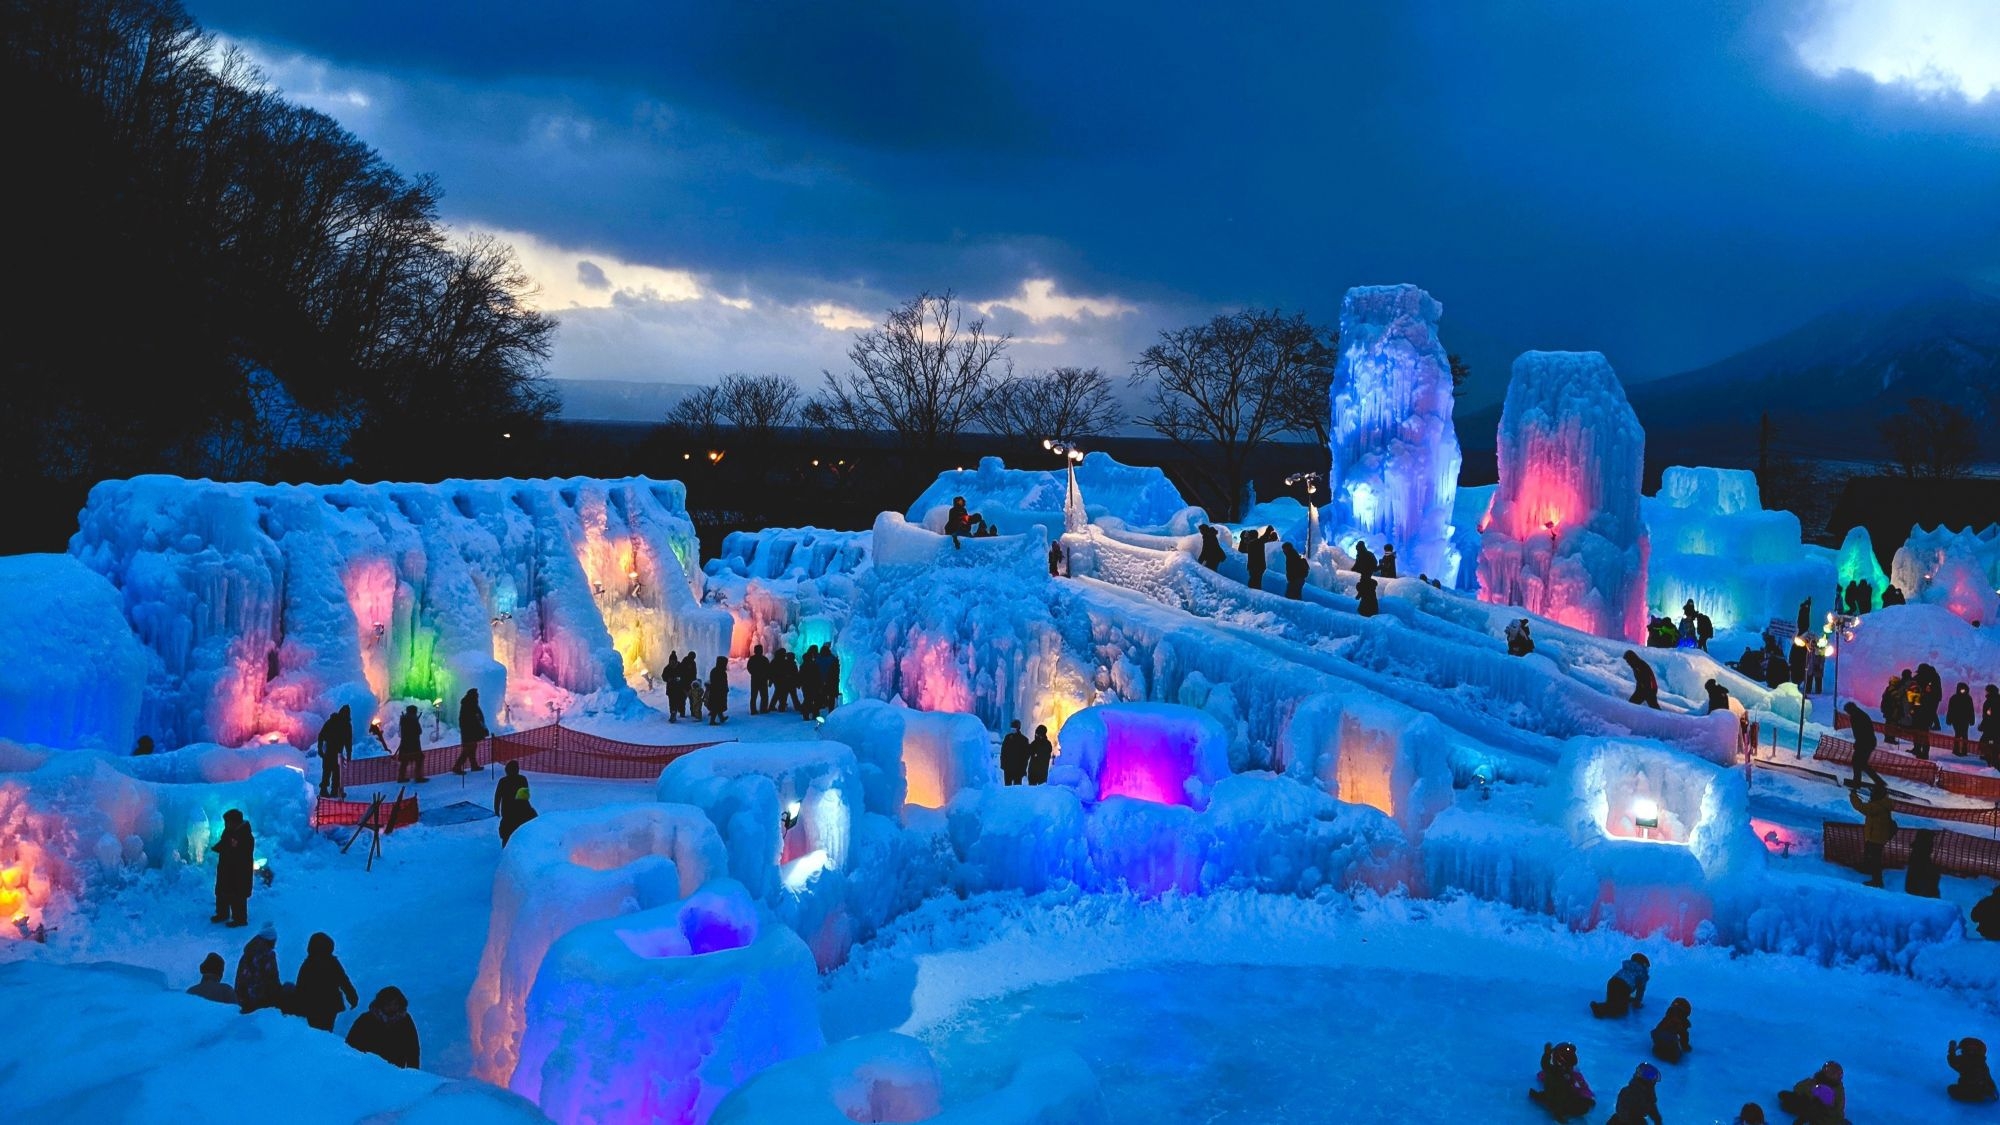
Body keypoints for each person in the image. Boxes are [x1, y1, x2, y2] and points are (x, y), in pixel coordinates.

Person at [293, 931, 359, 1032]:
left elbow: (300, 986)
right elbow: (344, 980)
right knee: (325, 1030)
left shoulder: (308, 964)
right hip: (329, 1005)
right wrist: (352, 996)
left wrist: (298, 1005)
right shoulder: (331, 962)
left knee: (316, 1031)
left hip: (313, 1006)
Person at [346, 986, 421, 1069]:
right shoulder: (366, 1019)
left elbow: (413, 1049)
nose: (392, 1007)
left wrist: (412, 1074)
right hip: (367, 1070)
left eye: (395, 1004)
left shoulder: (406, 1021)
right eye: (388, 1004)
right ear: (381, 1004)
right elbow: (351, 1045)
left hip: (395, 1072)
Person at [1527, 1041, 1595, 1122]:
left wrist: (1547, 1054)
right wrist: (1547, 1054)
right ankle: (1556, 1112)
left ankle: (1541, 1098)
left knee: (1582, 1106)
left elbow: (1545, 1066)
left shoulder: (1566, 1071)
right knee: (1552, 1101)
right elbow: (1545, 1065)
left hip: (1565, 1096)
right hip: (1557, 1099)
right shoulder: (1554, 1071)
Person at [212, 808, 255, 927]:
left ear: (235, 822)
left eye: (228, 822)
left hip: (239, 871)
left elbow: (242, 853)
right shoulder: (229, 831)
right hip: (226, 867)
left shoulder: (246, 836)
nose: (226, 824)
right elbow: (225, 842)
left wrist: (230, 849)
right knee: (222, 891)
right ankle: (222, 913)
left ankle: (240, 919)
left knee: (238, 894)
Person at [1849, 783, 1895, 888]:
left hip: (1876, 838)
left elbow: (1860, 807)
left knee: (1875, 859)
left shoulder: (1877, 806)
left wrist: (1853, 795)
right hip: (1876, 836)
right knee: (1870, 853)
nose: (1871, 794)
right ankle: (1867, 868)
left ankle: (1877, 881)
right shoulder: (1883, 803)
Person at [234, 921, 283, 1013]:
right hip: (256, 1000)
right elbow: (272, 979)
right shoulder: (267, 956)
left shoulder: (249, 951)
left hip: (242, 997)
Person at [1775, 1061, 1845, 1123]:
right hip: (1809, 1103)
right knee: (1785, 1096)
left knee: (1813, 1107)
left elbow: (1835, 1110)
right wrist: (1811, 1090)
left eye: (1832, 1072)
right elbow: (1797, 1087)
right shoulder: (1817, 1079)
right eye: (1827, 1070)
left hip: (1822, 1115)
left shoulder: (1837, 1090)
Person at [1589, 951, 1649, 1018]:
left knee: (1612, 1001)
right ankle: (1599, 1010)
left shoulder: (1628, 967)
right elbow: (1640, 990)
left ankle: (1604, 1005)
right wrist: (1637, 1004)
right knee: (1621, 1010)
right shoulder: (1642, 973)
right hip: (1623, 987)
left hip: (1612, 982)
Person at [1842, 702, 1885, 789]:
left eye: (1848, 712)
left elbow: (1862, 732)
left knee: (1858, 762)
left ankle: (1859, 782)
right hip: (1867, 742)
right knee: (1860, 763)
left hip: (1866, 743)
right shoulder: (1858, 715)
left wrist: (1858, 743)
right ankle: (1877, 781)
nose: (1848, 714)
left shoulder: (1857, 717)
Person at [495, 760, 536, 845]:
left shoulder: (503, 781)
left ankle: (506, 851)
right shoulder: (522, 779)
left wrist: (496, 809)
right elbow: (525, 795)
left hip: (508, 811)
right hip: (523, 810)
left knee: (506, 834)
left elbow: (497, 796)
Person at [316, 704, 352, 799]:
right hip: (333, 752)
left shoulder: (332, 722)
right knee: (333, 771)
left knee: (330, 771)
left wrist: (320, 748)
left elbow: (321, 735)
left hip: (331, 752)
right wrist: (349, 754)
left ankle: (328, 790)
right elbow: (348, 742)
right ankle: (330, 790)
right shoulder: (345, 725)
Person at [1949, 1037, 1997, 1103]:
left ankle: (1979, 1096)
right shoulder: (1981, 1061)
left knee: (1951, 1089)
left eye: (1963, 1050)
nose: (1962, 1052)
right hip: (1985, 1087)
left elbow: (1953, 1061)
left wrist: (1951, 1051)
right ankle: (1989, 1091)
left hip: (1975, 1090)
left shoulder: (1967, 1060)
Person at [452, 688, 488, 774]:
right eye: (476, 694)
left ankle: (474, 765)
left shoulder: (470, 704)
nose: (478, 696)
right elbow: (473, 720)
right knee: (468, 750)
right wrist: (480, 729)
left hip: (470, 732)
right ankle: (457, 767)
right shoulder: (469, 705)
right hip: (469, 732)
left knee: (472, 748)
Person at [1651, 997, 1692, 1063]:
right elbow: (1684, 1035)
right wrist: (1685, 1046)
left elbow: (1658, 1029)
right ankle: (1666, 1052)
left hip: (1659, 1034)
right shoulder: (1679, 1021)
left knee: (1665, 1042)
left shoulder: (1669, 1017)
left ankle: (1660, 1050)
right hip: (1666, 1037)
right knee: (1674, 1053)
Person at [1904, 827, 1941, 898]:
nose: (1932, 848)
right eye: (1931, 843)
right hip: (1920, 893)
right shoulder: (1922, 858)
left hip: (1914, 890)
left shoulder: (1916, 855)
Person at [1240, 526, 1279, 591]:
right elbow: (1265, 536)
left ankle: (1254, 594)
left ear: (1251, 537)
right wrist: (1268, 530)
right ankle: (1256, 592)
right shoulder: (1259, 542)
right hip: (1260, 566)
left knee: (1253, 582)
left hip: (1255, 567)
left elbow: (1264, 537)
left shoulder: (1252, 544)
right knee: (1257, 581)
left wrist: (1249, 567)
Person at [396, 703, 427, 783]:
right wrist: (416, 721)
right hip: (414, 744)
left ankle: (401, 777)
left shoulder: (403, 719)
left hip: (405, 744)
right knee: (419, 760)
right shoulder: (413, 720)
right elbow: (419, 731)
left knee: (404, 761)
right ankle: (418, 777)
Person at [1948, 682, 1976, 757]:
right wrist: (1949, 719)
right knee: (1957, 734)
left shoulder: (1968, 698)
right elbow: (1950, 709)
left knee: (1964, 735)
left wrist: (1971, 719)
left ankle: (1964, 751)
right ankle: (1956, 750)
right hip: (1956, 720)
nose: (1962, 690)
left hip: (1965, 720)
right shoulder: (1954, 698)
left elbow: (1971, 710)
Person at [1881, 670, 1908, 745]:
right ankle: (1891, 739)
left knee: (1888, 725)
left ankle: (1888, 738)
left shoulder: (1888, 688)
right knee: (1893, 725)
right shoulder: (1893, 690)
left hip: (1888, 711)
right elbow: (1897, 699)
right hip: (1893, 711)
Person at [1000, 720, 1030, 786]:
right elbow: (1003, 752)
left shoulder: (1024, 740)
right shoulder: (1007, 738)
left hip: (1018, 769)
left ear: (1018, 728)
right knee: (1008, 787)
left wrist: (1023, 769)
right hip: (1008, 768)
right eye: (1012, 728)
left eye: (1014, 728)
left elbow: (1026, 756)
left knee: (1017, 788)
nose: (1012, 729)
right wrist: (1003, 764)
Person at [771, 647, 798, 713]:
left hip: (782, 680)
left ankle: (781, 706)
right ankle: (778, 706)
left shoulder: (781, 661)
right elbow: (795, 673)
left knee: (781, 694)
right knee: (782, 693)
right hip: (782, 680)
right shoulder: (782, 661)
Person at [706, 656, 730, 725]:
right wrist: (723, 688)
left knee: (718, 705)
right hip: (717, 691)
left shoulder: (716, 671)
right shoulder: (718, 671)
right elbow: (717, 682)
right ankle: (712, 721)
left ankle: (721, 718)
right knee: (716, 706)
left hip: (719, 691)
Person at [747, 644, 770, 714]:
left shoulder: (752, 659)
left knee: (754, 695)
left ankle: (753, 710)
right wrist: (765, 676)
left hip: (755, 679)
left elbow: (749, 668)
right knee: (764, 695)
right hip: (762, 680)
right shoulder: (764, 659)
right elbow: (768, 669)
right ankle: (763, 709)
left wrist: (754, 674)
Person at [665, 654, 688, 721]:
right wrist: (668, 679)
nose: (672, 663)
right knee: (672, 702)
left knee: (681, 701)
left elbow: (685, 677)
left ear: (676, 661)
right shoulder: (667, 668)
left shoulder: (681, 667)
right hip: (671, 689)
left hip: (680, 689)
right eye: (670, 662)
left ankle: (682, 712)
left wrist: (683, 684)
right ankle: (673, 715)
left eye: (673, 661)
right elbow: (664, 676)